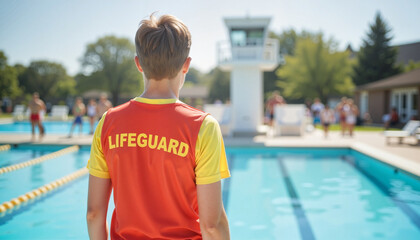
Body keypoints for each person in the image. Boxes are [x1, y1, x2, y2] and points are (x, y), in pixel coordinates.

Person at [87, 14, 231, 240]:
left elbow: (94, 214)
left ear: (138, 64)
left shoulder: (108, 122)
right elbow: (212, 226)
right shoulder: (202, 126)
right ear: (186, 65)